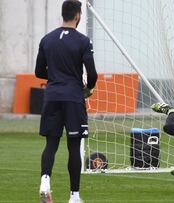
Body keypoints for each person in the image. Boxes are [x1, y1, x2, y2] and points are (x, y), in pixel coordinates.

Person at [35, 1, 97, 202]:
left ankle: (45, 181)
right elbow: (93, 74)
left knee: (51, 144)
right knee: (73, 146)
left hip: (52, 96)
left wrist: (54, 75)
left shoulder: (47, 39)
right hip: (72, 98)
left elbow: (38, 72)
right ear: (78, 15)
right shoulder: (83, 41)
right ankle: (74, 196)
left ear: (63, 14)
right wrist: (87, 89)